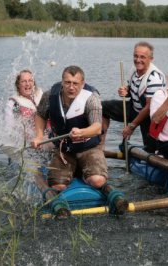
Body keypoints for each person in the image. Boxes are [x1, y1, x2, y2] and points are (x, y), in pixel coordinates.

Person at [31, 65, 128, 215]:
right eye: (67, 82)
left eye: (75, 84)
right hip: (64, 149)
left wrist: (82, 132)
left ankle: (85, 172)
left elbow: (96, 127)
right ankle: (73, 170)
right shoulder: (49, 96)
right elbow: (40, 115)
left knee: (98, 181)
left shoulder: (91, 98)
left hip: (88, 147)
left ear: (82, 84)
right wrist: (38, 135)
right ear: (62, 82)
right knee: (57, 186)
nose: (71, 87)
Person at [101, 41, 166, 151]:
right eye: (135, 56)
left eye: (142, 57)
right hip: (134, 108)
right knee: (102, 107)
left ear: (151, 59)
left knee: (151, 149)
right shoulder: (134, 69)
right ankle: (100, 146)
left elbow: (149, 107)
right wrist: (125, 90)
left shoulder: (154, 78)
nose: (138, 60)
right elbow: (132, 89)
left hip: (150, 117)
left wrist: (131, 126)